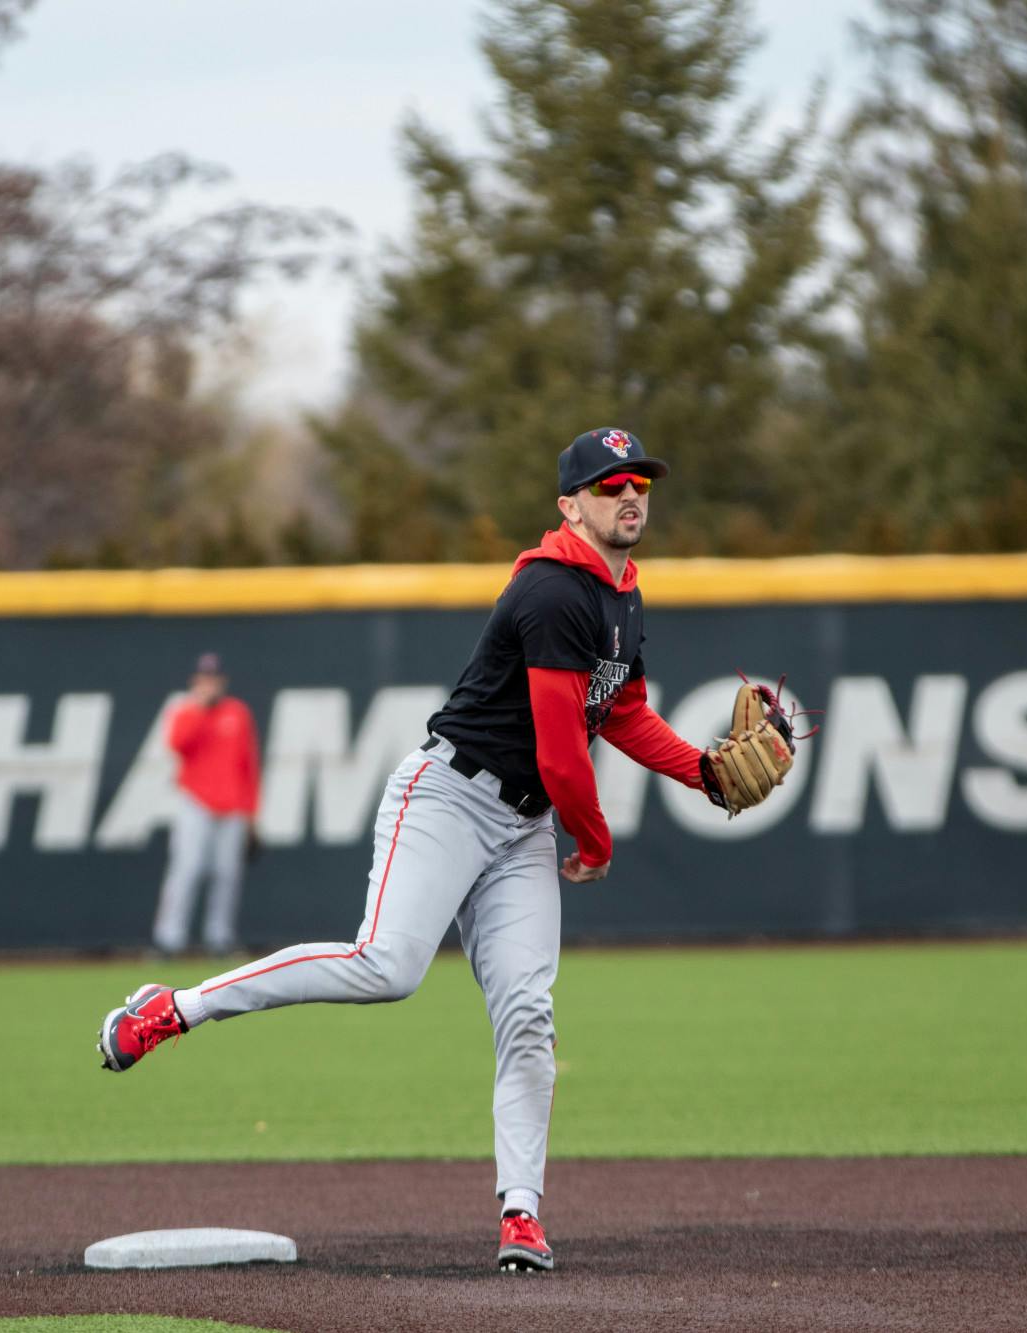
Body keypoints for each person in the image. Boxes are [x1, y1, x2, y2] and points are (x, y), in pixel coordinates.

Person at [99, 427, 737, 1274]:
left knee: (528, 1016)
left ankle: (522, 1217)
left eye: (640, 484)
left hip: (522, 829)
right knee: (386, 966)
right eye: (611, 484)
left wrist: (702, 772)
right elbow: (557, 749)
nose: (630, 497)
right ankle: (173, 1006)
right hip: (449, 798)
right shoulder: (552, 591)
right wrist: (596, 837)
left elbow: (620, 711)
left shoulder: (623, 592)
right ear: (570, 503)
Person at [150, 651, 260, 957]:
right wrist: (200, 707)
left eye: (214, 678)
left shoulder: (237, 712)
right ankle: (168, 939)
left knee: (227, 873)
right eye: (204, 678)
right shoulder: (185, 711)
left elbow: (248, 765)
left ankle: (219, 938)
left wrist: (252, 814)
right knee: (187, 869)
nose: (209, 684)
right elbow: (177, 744)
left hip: (233, 804)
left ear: (223, 681)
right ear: (195, 681)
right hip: (196, 801)